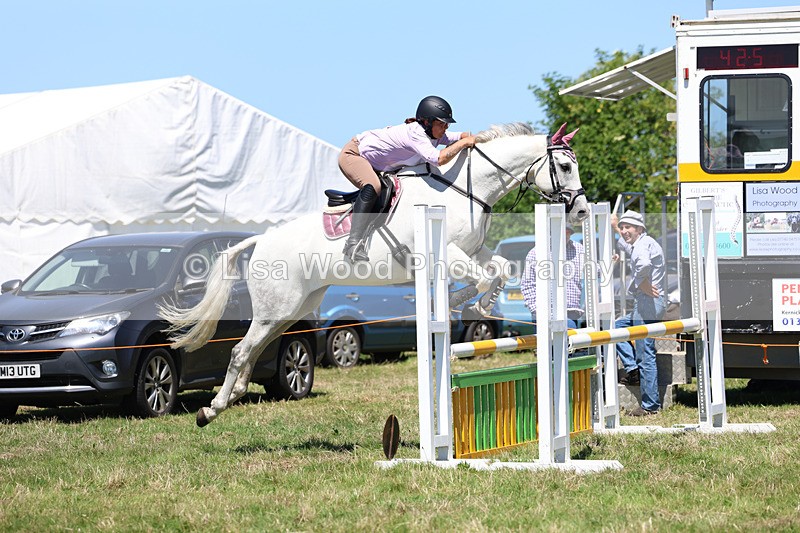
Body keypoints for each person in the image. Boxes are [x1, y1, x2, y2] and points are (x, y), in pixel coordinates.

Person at [337, 96, 479, 262]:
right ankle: (352, 244)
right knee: (373, 185)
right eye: (442, 123)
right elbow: (438, 159)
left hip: (376, 165)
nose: (445, 127)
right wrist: (464, 143)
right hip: (354, 155)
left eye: (447, 124)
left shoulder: (433, 132)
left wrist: (471, 136)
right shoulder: (416, 133)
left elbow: (455, 137)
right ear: (427, 122)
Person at [612, 210, 667, 417]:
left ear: (640, 229)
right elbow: (625, 244)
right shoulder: (641, 242)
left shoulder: (642, 246)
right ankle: (632, 369)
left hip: (648, 302)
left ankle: (650, 406)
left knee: (646, 354)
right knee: (617, 328)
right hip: (647, 302)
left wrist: (640, 282)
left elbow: (643, 264)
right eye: (623, 227)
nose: (625, 231)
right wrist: (616, 226)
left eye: (629, 228)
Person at [520, 224, 585, 332]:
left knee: (567, 342)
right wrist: (536, 309)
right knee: (549, 346)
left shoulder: (579, 249)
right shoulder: (535, 253)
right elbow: (527, 284)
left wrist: (609, 263)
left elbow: (592, 271)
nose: (565, 235)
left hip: (570, 310)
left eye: (567, 232)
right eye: (562, 231)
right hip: (545, 311)